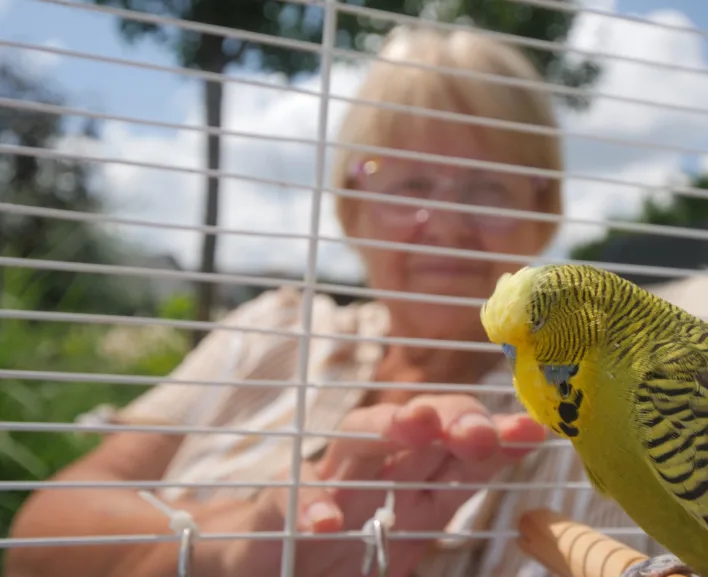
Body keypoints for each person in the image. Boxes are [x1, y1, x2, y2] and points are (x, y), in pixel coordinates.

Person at [6, 24, 660, 577]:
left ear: (541, 211)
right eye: (409, 183)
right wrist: (237, 542)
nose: (449, 221)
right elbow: (39, 535)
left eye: (490, 188)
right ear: (354, 207)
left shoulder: (590, 414)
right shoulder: (273, 328)